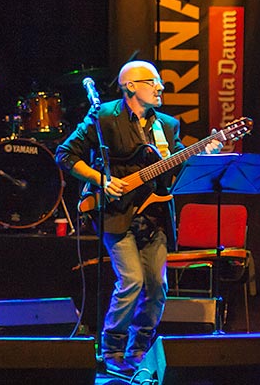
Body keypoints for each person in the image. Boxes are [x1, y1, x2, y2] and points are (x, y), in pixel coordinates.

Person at [55, 60, 223, 375]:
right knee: (131, 281)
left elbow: (175, 168)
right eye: (154, 81)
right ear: (130, 85)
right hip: (115, 214)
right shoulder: (103, 117)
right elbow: (65, 154)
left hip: (155, 217)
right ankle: (112, 349)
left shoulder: (168, 125)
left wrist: (204, 153)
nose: (161, 87)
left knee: (158, 288)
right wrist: (100, 179)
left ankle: (140, 349)